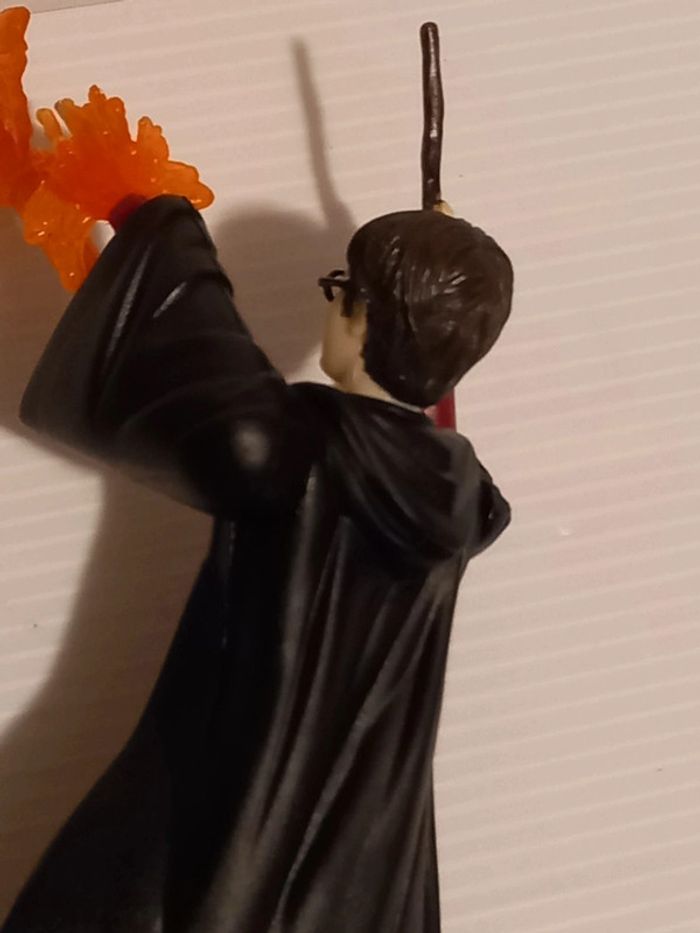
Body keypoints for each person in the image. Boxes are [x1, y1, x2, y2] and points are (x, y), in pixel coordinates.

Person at [2, 192, 513, 933]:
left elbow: (201, 370)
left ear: (364, 317)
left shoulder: (294, 447)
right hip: (367, 874)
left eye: (340, 290)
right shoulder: (465, 498)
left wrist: (156, 219)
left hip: (221, 826)